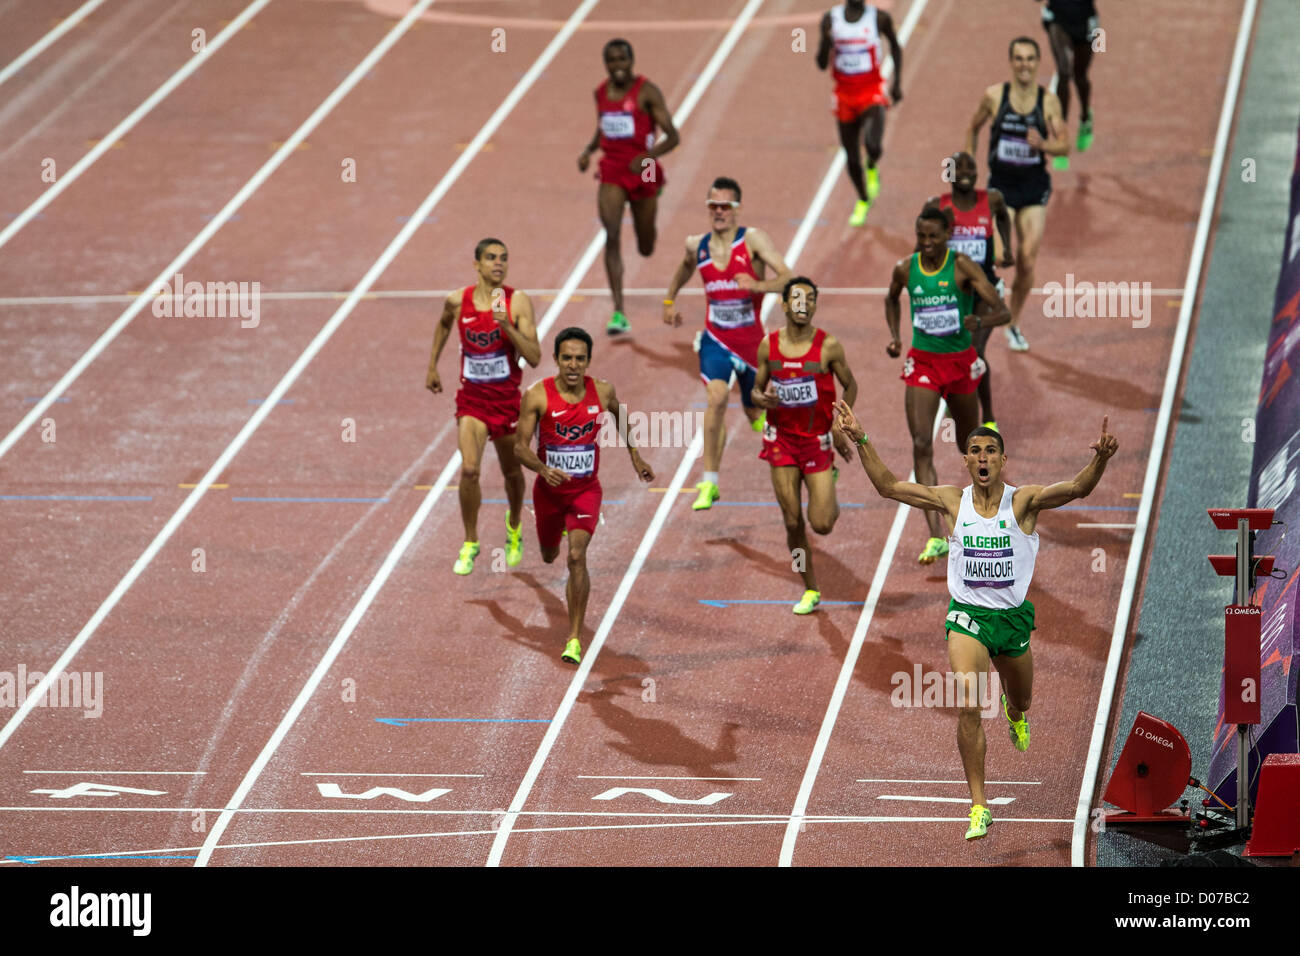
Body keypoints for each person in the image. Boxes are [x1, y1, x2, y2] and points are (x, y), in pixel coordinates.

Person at [833, 408, 1118, 840]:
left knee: (1022, 699)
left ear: (1002, 461)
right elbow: (889, 487)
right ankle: (979, 805)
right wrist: (861, 438)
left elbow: (1077, 489)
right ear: (966, 461)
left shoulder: (1022, 502)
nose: (982, 457)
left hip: (1012, 619)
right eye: (974, 451)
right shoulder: (953, 500)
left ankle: (1014, 711)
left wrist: (1100, 459)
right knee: (968, 704)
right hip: (967, 617)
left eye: (990, 451)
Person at [514, 327, 654, 664]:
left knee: (576, 557)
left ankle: (574, 637)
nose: (573, 365)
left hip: (585, 492)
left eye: (580, 359)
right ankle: (554, 534)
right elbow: (519, 447)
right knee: (550, 555)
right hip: (548, 494)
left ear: (589, 361)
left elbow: (620, 416)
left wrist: (635, 456)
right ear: (556, 360)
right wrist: (542, 468)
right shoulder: (537, 395)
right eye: (567, 358)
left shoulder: (603, 392)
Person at [886, 206, 1009, 565]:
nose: (926, 243)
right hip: (923, 364)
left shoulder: (962, 267)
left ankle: (986, 514)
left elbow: (1003, 311)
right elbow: (890, 298)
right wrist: (895, 336)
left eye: (933, 236)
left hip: (959, 364)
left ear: (947, 236)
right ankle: (936, 536)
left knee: (971, 445)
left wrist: (979, 319)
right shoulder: (904, 268)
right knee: (922, 442)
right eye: (920, 236)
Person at [662, 176, 792, 511]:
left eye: (725, 206)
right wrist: (669, 301)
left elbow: (790, 279)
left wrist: (757, 285)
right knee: (716, 397)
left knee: (759, 409)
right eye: (713, 206)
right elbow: (683, 269)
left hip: (751, 344)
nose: (719, 212)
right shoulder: (697, 245)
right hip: (715, 339)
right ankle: (709, 482)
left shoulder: (753, 240)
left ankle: (789, 439)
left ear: (737, 209)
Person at [426, 237, 541, 575]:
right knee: (470, 470)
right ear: (476, 264)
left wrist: (507, 326)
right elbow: (444, 323)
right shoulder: (456, 301)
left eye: (503, 258)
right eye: (491, 258)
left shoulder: (517, 302)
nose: (498, 264)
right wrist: (432, 365)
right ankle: (470, 540)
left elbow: (534, 357)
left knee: (511, 473)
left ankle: (515, 524)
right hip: (472, 401)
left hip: (506, 402)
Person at [750, 278, 857, 614]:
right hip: (781, 439)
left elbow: (850, 384)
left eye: (809, 299)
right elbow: (755, 390)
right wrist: (761, 398)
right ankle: (809, 587)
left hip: (816, 441)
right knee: (792, 521)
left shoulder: (829, 346)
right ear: (784, 304)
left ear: (815, 305)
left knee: (822, 523)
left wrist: (841, 423)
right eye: (796, 297)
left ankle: (829, 485)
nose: (802, 304)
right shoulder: (769, 346)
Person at [964, 36, 1068, 352]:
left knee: (1027, 259)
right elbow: (972, 128)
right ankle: (982, 304)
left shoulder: (1048, 101)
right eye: (1019, 58)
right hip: (1002, 187)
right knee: (996, 256)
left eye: (1030, 59)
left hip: (1034, 187)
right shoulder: (995, 97)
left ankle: (1014, 323)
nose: (1025, 64)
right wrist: (969, 167)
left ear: (1038, 63)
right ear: (1011, 62)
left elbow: (1064, 145)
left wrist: (1044, 145)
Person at [578, 38, 681, 335]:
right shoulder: (600, 93)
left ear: (631, 60)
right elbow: (603, 128)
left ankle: (654, 193)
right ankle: (619, 311)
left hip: (646, 168)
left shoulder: (646, 92)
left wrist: (648, 157)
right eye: (611, 60)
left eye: (622, 59)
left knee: (645, 245)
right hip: (612, 169)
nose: (617, 66)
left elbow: (673, 136)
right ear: (605, 64)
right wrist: (588, 151)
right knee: (611, 233)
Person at [925, 152, 1014, 428]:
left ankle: (987, 417)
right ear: (948, 174)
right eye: (958, 168)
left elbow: (1003, 217)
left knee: (974, 351)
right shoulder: (937, 207)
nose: (965, 172)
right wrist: (947, 229)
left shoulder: (993, 199)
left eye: (971, 167)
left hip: (985, 288)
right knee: (954, 352)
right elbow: (921, 252)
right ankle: (959, 399)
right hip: (952, 294)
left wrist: (1007, 246)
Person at [816, 1, 902, 226]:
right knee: (852, 157)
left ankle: (872, 166)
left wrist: (897, 83)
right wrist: (826, 41)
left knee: (873, 145)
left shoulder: (879, 18)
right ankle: (863, 199)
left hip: (871, 90)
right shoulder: (830, 20)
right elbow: (821, 63)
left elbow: (896, 46)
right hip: (844, 95)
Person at [1037, 0, 1100, 169]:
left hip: (1086, 21)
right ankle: (1061, 138)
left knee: (1080, 76)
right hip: (1058, 18)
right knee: (1064, 72)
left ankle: (1086, 118)